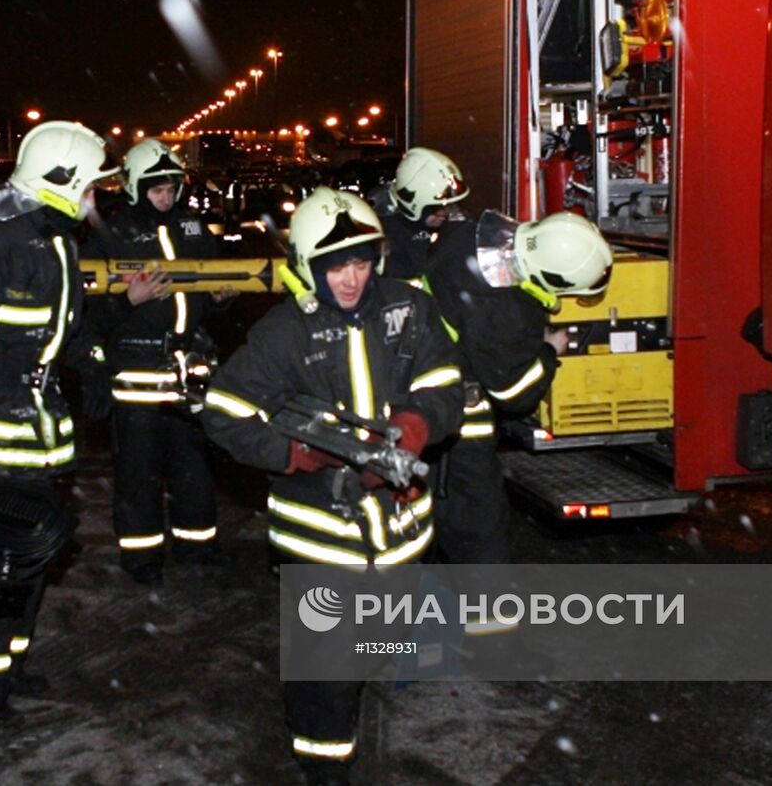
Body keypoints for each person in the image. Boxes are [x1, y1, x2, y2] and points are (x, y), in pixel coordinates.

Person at [201, 188, 463, 784]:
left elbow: (447, 381)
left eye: (361, 262)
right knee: (324, 665)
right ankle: (322, 762)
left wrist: (416, 428)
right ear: (308, 268)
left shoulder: (408, 308)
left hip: (399, 532)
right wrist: (297, 453)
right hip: (320, 538)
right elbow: (222, 410)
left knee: (384, 638)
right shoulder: (283, 332)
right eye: (335, 266)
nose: (350, 279)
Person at [0, 120, 118, 725]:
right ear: (60, 184)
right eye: (90, 186)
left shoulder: (55, 240)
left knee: (27, 562)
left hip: (35, 437)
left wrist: (94, 363)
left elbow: (63, 328)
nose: (96, 197)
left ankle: (9, 666)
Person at [423, 209, 613, 566]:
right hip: (457, 418)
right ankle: (484, 614)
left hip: (412, 381)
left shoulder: (465, 233)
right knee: (478, 523)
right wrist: (547, 351)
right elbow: (512, 395)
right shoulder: (506, 311)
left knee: (427, 518)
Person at [84, 138, 232, 585]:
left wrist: (222, 301)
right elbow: (86, 314)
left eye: (171, 188)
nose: (166, 197)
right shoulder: (110, 236)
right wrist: (128, 301)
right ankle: (143, 559)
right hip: (137, 376)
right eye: (156, 189)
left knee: (194, 470)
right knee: (138, 474)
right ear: (134, 189)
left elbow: (211, 296)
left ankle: (197, 547)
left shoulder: (193, 230)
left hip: (189, 374)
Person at [368, 147, 469, 280]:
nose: (446, 213)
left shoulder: (452, 225)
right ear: (413, 203)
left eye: (450, 206)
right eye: (437, 208)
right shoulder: (387, 234)